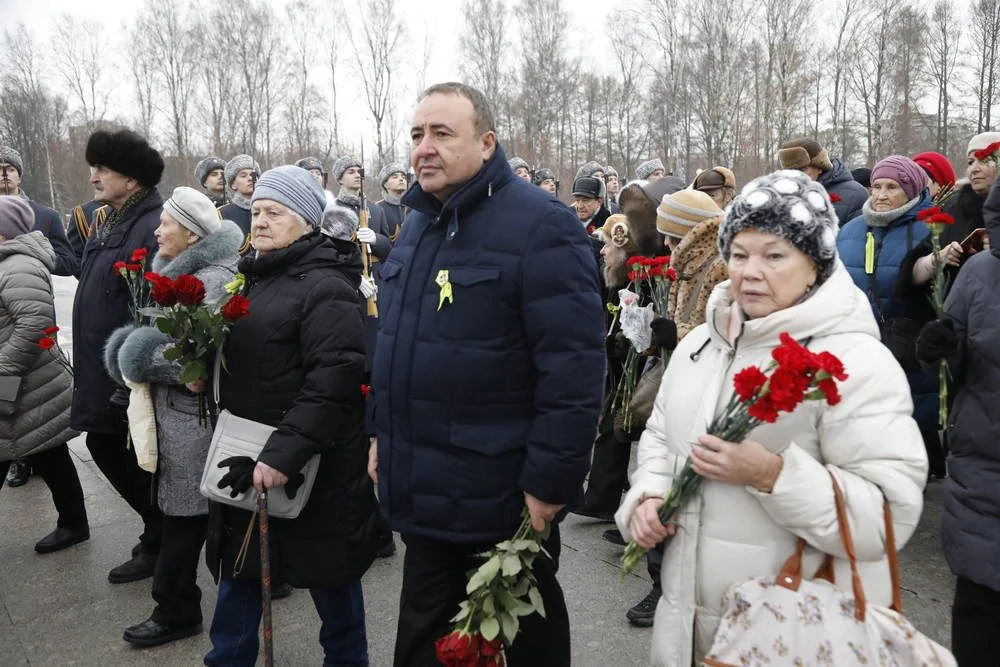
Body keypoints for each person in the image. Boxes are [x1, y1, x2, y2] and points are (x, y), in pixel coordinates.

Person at [616, 170, 928, 666]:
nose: (749, 271)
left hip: (793, 636)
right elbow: (660, 436)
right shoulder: (702, 343)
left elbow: (887, 519)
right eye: (738, 254)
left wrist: (773, 475)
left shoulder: (854, 363)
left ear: (816, 263)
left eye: (774, 255)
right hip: (687, 634)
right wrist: (649, 495)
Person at [371, 82, 605, 666]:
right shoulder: (420, 223)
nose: (424, 148)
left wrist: (550, 482)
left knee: (527, 641)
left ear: (487, 143)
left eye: (442, 134)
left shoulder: (542, 225)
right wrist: (378, 431)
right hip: (424, 485)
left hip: (502, 498)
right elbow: (397, 344)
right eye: (417, 134)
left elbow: (573, 370)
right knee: (425, 643)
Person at [204, 165, 379, 665]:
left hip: (315, 470)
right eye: (256, 210)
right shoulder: (256, 279)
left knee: (332, 587)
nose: (259, 221)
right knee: (239, 579)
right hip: (250, 458)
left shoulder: (327, 287)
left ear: (304, 220)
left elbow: (334, 381)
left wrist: (282, 455)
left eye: (273, 212)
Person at [102, 187, 242, 647]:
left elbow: (194, 354)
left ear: (191, 233)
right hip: (177, 413)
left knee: (186, 516)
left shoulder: (215, 278)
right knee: (193, 512)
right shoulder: (177, 270)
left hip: (195, 418)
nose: (158, 231)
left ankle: (176, 608)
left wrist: (135, 354)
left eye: (167, 225)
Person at [73, 128, 165, 584]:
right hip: (98, 363)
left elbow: (153, 305)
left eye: (102, 168)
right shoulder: (109, 219)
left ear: (131, 179)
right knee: (110, 445)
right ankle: (160, 533)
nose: (93, 177)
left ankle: (162, 535)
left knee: (116, 449)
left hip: (123, 373)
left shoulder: (151, 224)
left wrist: (133, 370)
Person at [916, 175, 1000, 666]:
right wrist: (940, 353)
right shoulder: (980, 272)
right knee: (980, 619)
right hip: (984, 475)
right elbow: (955, 363)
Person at [837, 156, 944, 478]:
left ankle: (915, 478)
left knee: (912, 415)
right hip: (860, 339)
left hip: (910, 341)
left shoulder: (931, 227)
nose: (881, 194)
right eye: (876, 186)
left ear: (911, 189)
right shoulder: (851, 230)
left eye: (892, 187)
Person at [0, 196, 89, 553]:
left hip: (20, 379)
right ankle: (74, 522)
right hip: (17, 379)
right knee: (42, 449)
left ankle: (74, 524)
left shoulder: (18, 265)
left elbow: (36, 324)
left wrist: (3, 368)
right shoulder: (8, 263)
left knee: (46, 449)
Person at [899, 132, 1000, 299]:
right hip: (958, 315)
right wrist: (935, 260)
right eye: (970, 162)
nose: (974, 168)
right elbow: (913, 274)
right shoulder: (955, 209)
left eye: (983, 159)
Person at [0, 145, 78, 277]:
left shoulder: (47, 216)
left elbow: (69, 264)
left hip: (31, 293)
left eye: (11, 169)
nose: (4, 174)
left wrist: (36, 252)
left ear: (20, 177)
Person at [778, 136, 868, 224]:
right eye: (790, 170)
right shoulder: (780, 196)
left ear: (820, 167)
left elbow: (857, 236)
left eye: (803, 169)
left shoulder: (855, 195)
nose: (796, 175)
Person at [217, 154, 259, 255]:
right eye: (243, 176)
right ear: (233, 184)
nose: (250, 178)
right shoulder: (222, 214)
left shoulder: (270, 209)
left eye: (253, 175)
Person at [374, 161, 409, 243]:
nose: (401, 179)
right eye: (395, 177)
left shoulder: (414, 208)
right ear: (385, 184)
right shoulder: (377, 209)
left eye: (403, 177)